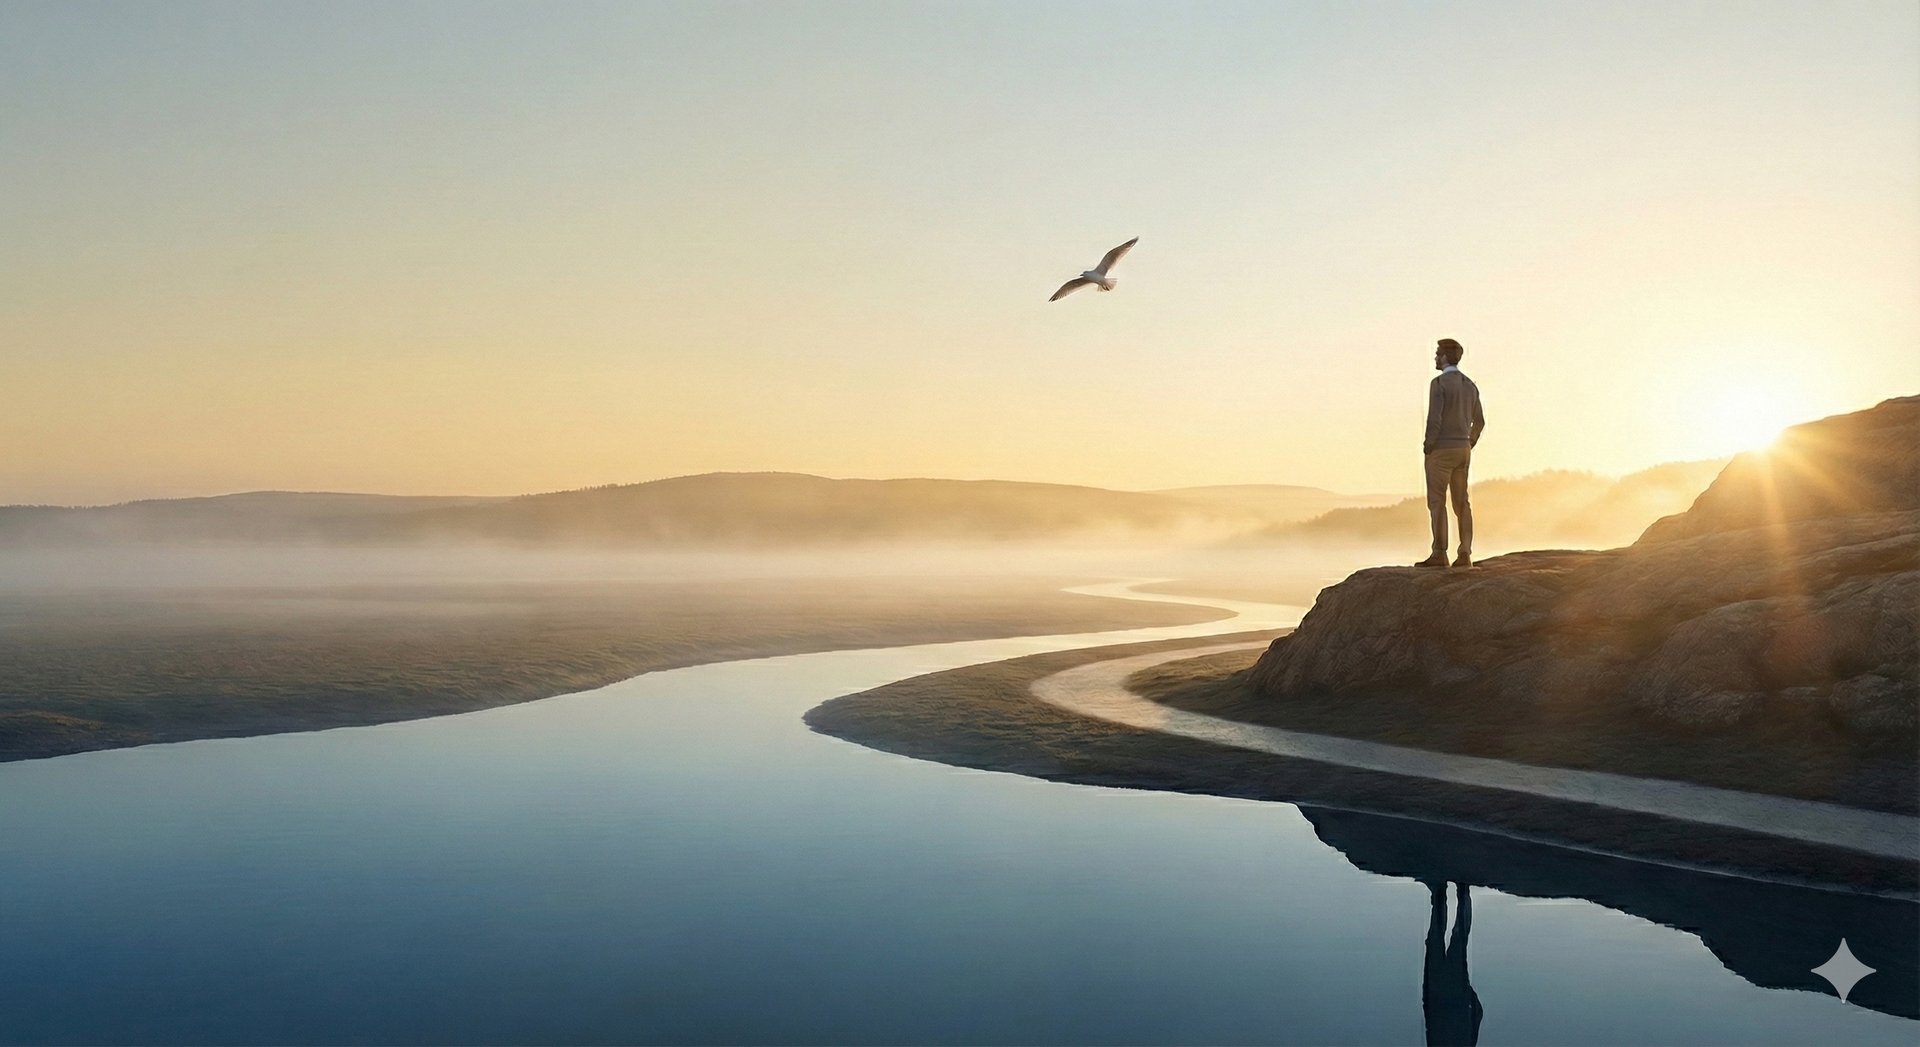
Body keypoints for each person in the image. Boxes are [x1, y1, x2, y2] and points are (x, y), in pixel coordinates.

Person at [1417, 338, 1485, 568]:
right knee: (1462, 502)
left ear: (1445, 357)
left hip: (1441, 449)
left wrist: (1429, 446)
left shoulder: (1438, 384)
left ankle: (1440, 553)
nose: (1435, 358)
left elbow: (1434, 418)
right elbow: (1480, 421)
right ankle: (1465, 552)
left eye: (1437, 354)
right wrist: (1469, 442)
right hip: (1463, 450)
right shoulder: (1470, 385)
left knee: (1437, 501)